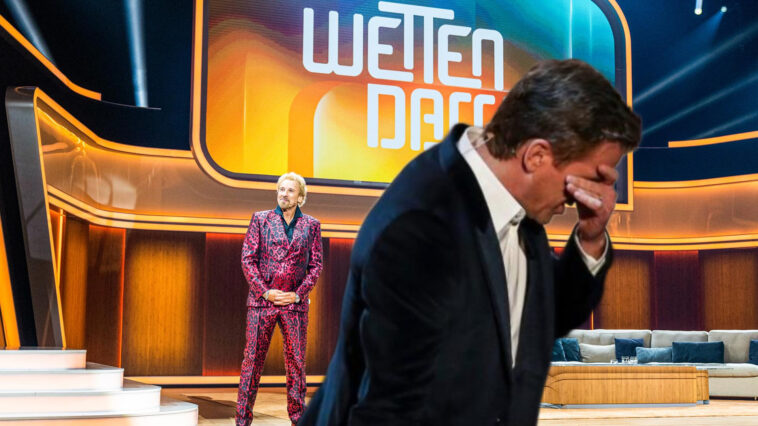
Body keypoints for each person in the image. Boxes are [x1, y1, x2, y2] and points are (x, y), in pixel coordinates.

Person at [299, 59, 641, 425]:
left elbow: (540, 321)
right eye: (591, 177)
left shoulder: (517, 203)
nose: (587, 195)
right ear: (536, 156)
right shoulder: (421, 227)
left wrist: (590, 238)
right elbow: (391, 411)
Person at [236, 172, 323, 426]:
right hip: (262, 303)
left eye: (290, 190)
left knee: (296, 364)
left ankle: (298, 419)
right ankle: (242, 421)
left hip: (293, 306)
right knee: (252, 362)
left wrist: (298, 294)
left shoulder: (311, 225)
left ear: (300, 197)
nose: (284, 194)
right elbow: (248, 259)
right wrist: (265, 291)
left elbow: (316, 265)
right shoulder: (260, 219)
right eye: (281, 189)